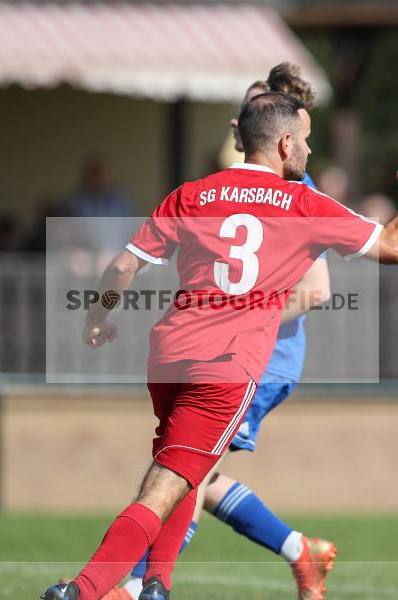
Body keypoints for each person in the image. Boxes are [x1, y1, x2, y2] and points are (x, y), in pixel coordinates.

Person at [43, 91, 398, 600]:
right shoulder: (304, 204)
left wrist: (97, 317)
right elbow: (396, 247)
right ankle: (83, 591)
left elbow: (122, 267)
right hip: (225, 365)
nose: (310, 152)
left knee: (184, 466)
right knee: (164, 486)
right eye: (308, 141)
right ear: (286, 142)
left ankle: (156, 584)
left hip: (168, 353)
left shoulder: (192, 193)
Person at [107, 62, 338, 600]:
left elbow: (317, 290)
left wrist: (234, 321)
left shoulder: (293, 185)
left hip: (255, 361)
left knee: (179, 475)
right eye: (239, 116)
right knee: (189, 474)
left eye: (250, 115)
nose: (237, 125)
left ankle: (139, 585)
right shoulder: (233, 182)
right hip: (226, 357)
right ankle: (301, 553)